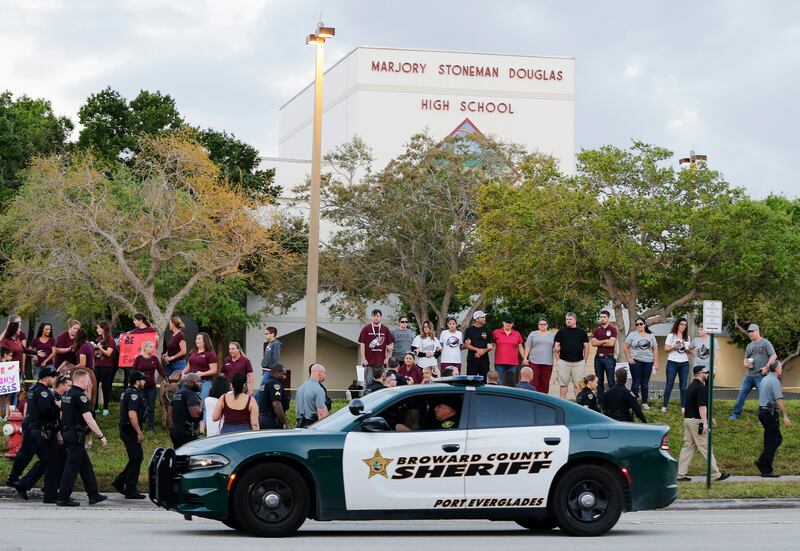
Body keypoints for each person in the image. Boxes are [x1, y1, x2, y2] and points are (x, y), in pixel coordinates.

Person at [6, 366, 60, 502]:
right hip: (40, 429)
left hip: (30, 427)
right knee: (49, 461)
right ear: (46, 377)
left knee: (28, 455)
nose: (54, 380)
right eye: (53, 377)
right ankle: (47, 493)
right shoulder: (43, 392)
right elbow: (46, 411)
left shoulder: (33, 389)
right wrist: (58, 407)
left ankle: (18, 481)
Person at [57, 369, 108, 507]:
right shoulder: (80, 396)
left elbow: (62, 414)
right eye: (87, 381)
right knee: (71, 467)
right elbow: (89, 419)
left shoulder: (67, 394)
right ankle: (63, 497)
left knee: (85, 466)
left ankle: (93, 494)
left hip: (68, 433)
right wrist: (101, 435)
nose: (89, 383)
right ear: (81, 380)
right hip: (75, 436)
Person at [676, 365, 730, 482]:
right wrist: (705, 422)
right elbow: (702, 406)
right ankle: (715, 474)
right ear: (701, 374)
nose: (708, 375)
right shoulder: (701, 388)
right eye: (706, 373)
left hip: (688, 420)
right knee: (705, 447)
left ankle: (680, 474)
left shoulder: (691, 386)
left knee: (688, 447)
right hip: (697, 421)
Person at [731, 324, 777, 420]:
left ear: (757, 331)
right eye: (749, 332)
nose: (750, 333)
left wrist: (767, 366)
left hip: (761, 376)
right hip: (749, 376)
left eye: (752, 331)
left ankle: (765, 416)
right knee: (741, 395)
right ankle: (735, 414)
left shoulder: (765, 343)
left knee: (764, 397)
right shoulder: (749, 345)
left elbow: (773, 356)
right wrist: (745, 363)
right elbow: (746, 358)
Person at [112, 370, 147, 499]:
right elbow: (132, 415)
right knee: (137, 458)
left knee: (136, 458)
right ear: (137, 381)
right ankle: (130, 489)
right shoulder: (133, 394)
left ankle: (120, 482)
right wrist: (139, 432)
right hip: (130, 431)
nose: (144, 382)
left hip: (126, 430)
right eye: (143, 380)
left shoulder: (127, 392)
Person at [755, 361, 791, 477]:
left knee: (775, 439)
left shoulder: (765, 379)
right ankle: (766, 469)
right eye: (780, 367)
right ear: (776, 369)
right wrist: (785, 415)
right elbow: (778, 400)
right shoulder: (775, 381)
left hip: (762, 411)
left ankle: (762, 460)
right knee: (773, 440)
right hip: (770, 413)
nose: (781, 369)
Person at [623, 317, 659, 410]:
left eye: (641, 324)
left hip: (648, 361)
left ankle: (644, 403)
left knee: (645, 383)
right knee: (636, 382)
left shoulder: (651, 335)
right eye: (637, 324)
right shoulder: (632, 335)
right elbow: (625, 347)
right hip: (636, 361)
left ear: (645, 325)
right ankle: (632, 403)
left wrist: (656, 362)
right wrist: (629, 358)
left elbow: (655, 349)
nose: (639, 325)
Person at [554, 312, 590, 399]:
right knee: (563, 385)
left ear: (575, 320)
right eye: (567, 319)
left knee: (578, 385)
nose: (568, 321)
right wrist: (558, 360)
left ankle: (578, 405)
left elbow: (586, 347)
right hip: (564, 362)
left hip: (578, 363)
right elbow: (556, 347)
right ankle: (562, 403)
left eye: (570, 319)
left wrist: (584, 360)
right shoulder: (561, 332)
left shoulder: (582, 332)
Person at [131, 340, 166, 432]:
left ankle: (151, 428)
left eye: (153, 347)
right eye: (150, 346)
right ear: (145, 348)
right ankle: (139, 427)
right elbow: (133, 372)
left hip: (151, 387)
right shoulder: (138, 358)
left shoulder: (154, 359)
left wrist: (168, 379)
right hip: (141, 388)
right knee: (141, 407)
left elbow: (161, 370)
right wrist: (133, 384)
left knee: (151, 407)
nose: (152, 348)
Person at [662, 317, 692, 413]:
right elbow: (666, 349)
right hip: (672, 362)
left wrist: (688, 351)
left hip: (684, 363)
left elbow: (687, 352)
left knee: (683, 386)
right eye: (682, 324)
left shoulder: (687, 337)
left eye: (685, 325)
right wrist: (674, 346)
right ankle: (664, 406)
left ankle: (683, 407)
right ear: (678, 325)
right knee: (669, 384)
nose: (683, 326)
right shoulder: (671, 336)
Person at [591, 310, 618, 408]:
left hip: (609, 358)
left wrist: (600, 341)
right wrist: (605, 340)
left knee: (611, 382)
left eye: (604, 317)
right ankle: (601, 404)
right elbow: (593, 343)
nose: (602, 319)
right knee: (599, 382)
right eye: (601, 317)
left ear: (608, 318)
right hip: (598, 358)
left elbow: (611, 343)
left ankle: (613, 403)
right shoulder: (597, 330)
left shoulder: (613, 329)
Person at [358, 309, 393, 386]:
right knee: (369, 382)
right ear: (371, 317)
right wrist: (363, 359)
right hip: (369, 362)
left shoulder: (385, 329)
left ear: (380, 317)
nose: (376, 318)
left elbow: (390, 345)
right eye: (374, 316)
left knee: (382, 383)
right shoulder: (366, 329)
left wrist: (387, 358)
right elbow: (362, 345)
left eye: (378, 316)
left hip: (381, 362)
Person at [168, 372, 203, 448]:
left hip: (175, 431)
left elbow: (170, 414)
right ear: (191, 382)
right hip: (186, 432)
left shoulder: (177, 393)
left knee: (178, 456)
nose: (200, 384)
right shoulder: (190, 394)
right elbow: (195, 415)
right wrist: (201, 404)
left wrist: (172, 429)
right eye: (198, 381)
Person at [523, 318, 556, 394]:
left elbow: (556, 347)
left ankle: (543, 401)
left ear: (547, 325)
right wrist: (525, 358)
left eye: (544, 324)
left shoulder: (552, 335)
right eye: (541, 324)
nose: (542, 326)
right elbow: (528, 346)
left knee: (545, 383)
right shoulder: (533, 334)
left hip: (548, 362)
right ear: (538, 325)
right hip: (534, 362)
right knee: (534, 382)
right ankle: (533, 398)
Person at [182, 332, 218, 400]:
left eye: (199, 339)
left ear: (205, 341)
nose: (196, 340)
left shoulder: (210, 354)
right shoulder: (193, 352)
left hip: (204, 382)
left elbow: (214, 370)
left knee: (202, 403)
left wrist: (201, 374)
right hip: (191, 382)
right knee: (190, 403)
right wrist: (183, 373)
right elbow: (188, 367)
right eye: (196, 339)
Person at [93, 321, 116, 416]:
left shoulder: (110, 340)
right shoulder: (98, 339)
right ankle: (96, 408)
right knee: (95, 386)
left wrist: (100, 348)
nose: (97, 330)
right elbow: (96, 353)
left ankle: (106, 408)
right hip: (97, 365)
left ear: (104, 329)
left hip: (107, 366)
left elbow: (109, 353)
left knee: (105, 387)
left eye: (98, 328)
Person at [295, 363, 329, 427]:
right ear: (319, 373)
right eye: (324, 373)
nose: (325, 375)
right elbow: (321, 412)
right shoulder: (319, 389)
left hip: (299, 425)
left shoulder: (300, 388)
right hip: (312, 425)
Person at [493, 317, 525, 383]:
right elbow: (490, 343)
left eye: (510, 323)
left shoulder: (516, 334)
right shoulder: (496, 332)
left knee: (510, 382)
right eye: (506, 322)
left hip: (512, 363)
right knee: (500, 381)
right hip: (499, 362)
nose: (508, 324)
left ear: (512, 324)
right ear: (503, 322)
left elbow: (520, 347)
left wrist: (524, 358)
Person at [464, 310, 494, 377]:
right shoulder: (469, 330)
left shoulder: (487, 330)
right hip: (472, 358)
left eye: (484, 317)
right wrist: (477, 350)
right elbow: (466, 344)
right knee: (470, 380)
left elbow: (491, 344)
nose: (484, 319)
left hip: (484, 359)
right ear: (477, 319)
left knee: (485, 380)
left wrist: (482, 352)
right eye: (482, 317)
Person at [259, 364, 288, 430]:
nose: (285, 377)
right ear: (276, 372)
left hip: (262, 418)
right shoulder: (275, 384)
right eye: (283, 374)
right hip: (271, 420)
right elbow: (276, 404)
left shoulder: (264, 383)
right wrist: (284, 422)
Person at [258, 326, 282, 401]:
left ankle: (254, 404)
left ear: (272, 334)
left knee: (261, 389)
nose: (265, 335)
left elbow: (276, 358)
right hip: (265, 370)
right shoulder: (269, 344)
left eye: (266, 333)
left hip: (270, 371)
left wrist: (274, 371)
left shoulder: (276, 344)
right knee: (263, 390)